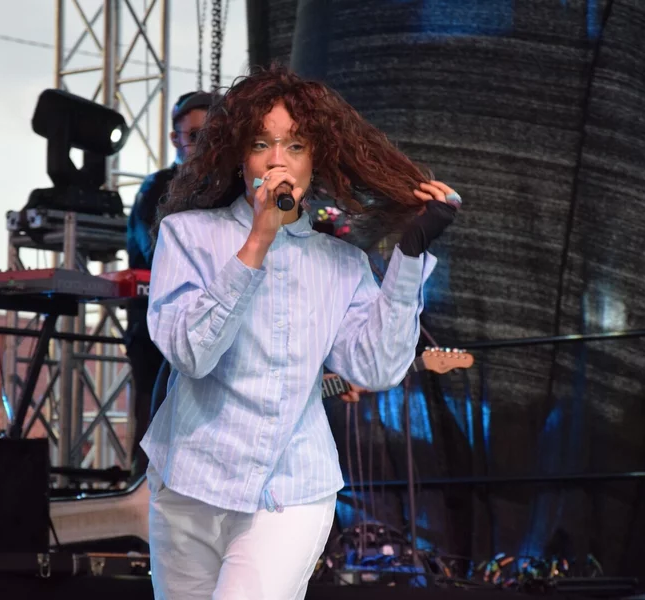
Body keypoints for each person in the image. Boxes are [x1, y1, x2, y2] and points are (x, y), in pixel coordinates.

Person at [140, 64, 460, 600]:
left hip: (291, 489)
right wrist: (256, 243)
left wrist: (410, 255)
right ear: (239, 157)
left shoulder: (341, 263)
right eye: (260, 144)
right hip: (190, 482)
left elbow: (377, 368)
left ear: (315, 160)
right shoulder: (187, 237)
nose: (276, 160)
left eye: (294, 146)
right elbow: (191, 354)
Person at [124, 90, 221, 477]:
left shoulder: (229, 188)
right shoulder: (156, 188)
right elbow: (160, 254)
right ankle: (143, 505)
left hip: (211, 332)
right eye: (195, 135)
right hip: (158, 333)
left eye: (213, 134)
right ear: (175, 139)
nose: (204, 144)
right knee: (155, 431)